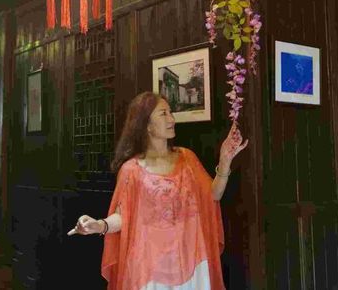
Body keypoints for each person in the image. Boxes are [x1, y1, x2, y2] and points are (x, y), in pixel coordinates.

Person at [68, 92, 248, 290]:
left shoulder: (187, 158)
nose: (171, 119)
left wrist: (225, 160)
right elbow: (124, 217)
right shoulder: (131, 170)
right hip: (150, 264)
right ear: (146, 125)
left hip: (192, 258)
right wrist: (99, 225)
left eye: (170, 113)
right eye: (163, 114)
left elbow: (213, 195)